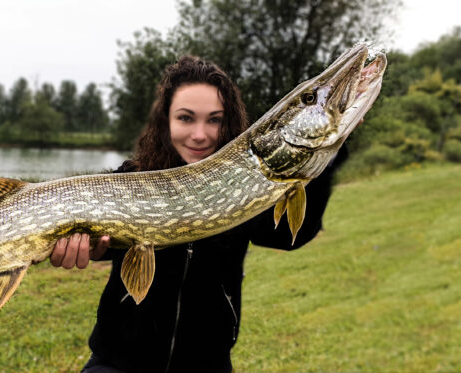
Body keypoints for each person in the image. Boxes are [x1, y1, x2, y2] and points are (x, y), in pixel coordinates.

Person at [50, 56, 347, 373]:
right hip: (117, 361)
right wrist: (93, 247)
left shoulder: (246, 185)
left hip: (206, 364)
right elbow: (105, 237)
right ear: (167, 121)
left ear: (229, 122)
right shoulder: (131, 175)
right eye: (186, 118)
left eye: (215, 120)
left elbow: (289, 236)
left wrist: (327, 155)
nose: (200, 134)